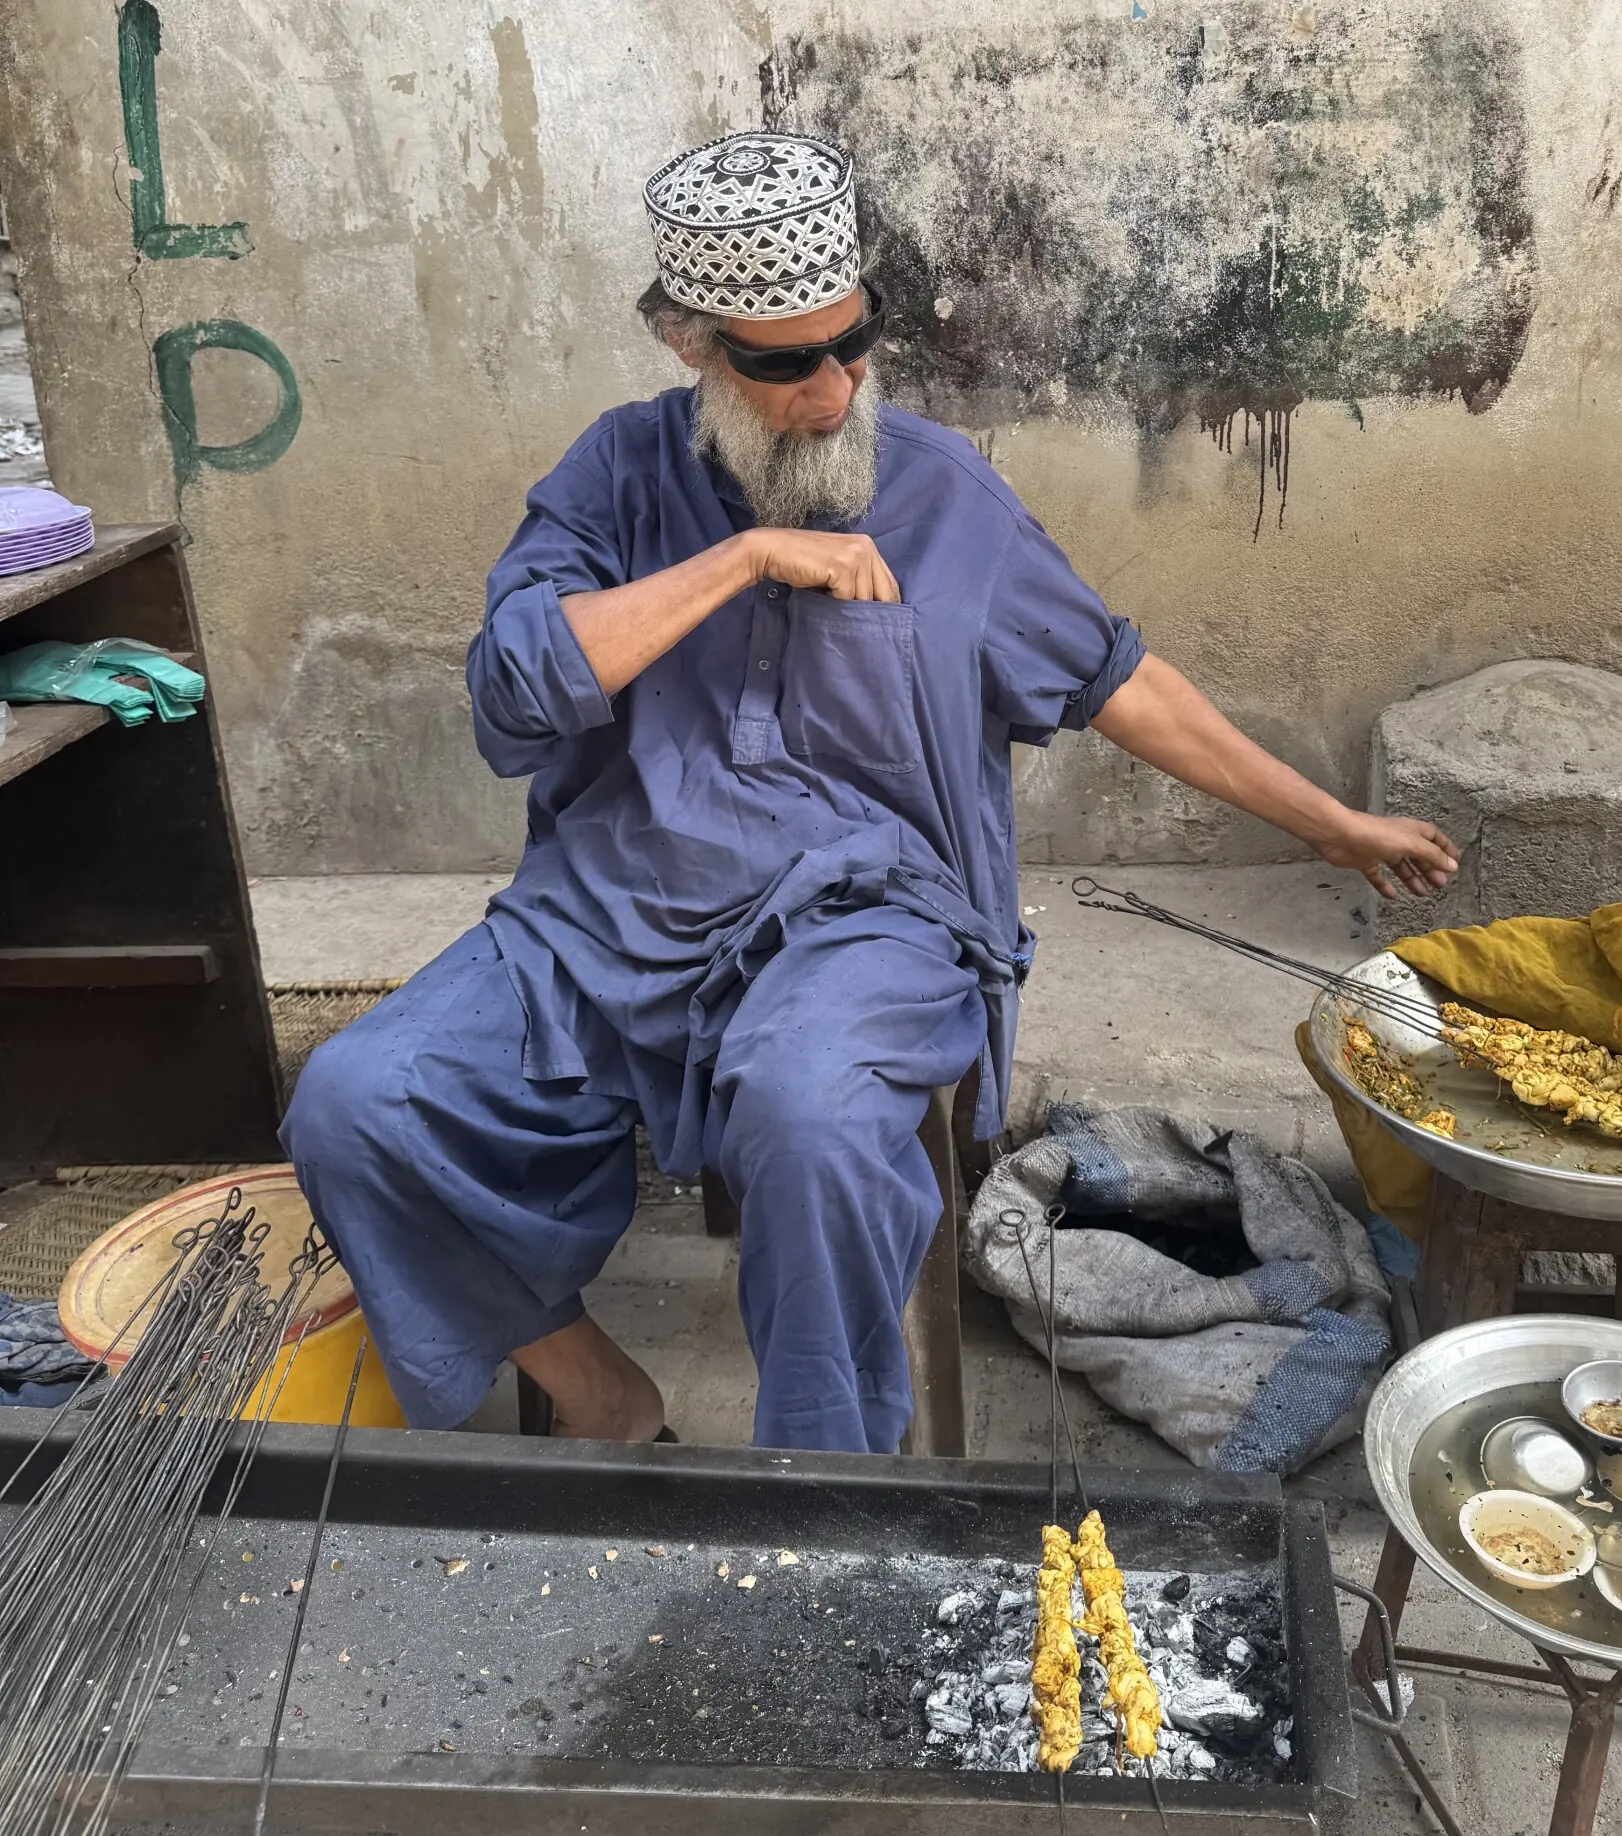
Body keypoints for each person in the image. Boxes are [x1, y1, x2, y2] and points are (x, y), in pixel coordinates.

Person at [283, 131, 1457, 1453]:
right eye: (786, 362)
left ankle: (826, 1490)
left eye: (854, 345)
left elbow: (1120, 682)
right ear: (690, 344)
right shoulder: (613, 478)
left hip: (866, 929)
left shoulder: (949, 495)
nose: (835, 390)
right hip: (607, 917)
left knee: (811, 1113)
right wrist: (738, 565)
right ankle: (604, 1394)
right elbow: (513, 684)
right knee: (353, 1101)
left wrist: (1332, 825)